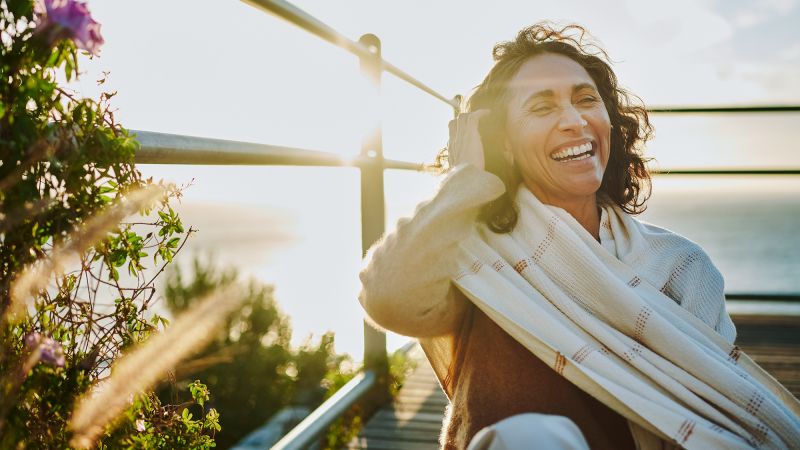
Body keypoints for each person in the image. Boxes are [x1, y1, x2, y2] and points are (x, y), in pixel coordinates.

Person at [359, 23, 800, 450]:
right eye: (542, 107)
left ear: (610, 122)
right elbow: (388, 297)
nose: (574, 120)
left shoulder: (682, 266)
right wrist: (464, 179)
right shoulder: (473, 254)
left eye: (586, 99)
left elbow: (716, 412)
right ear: (504, 143)